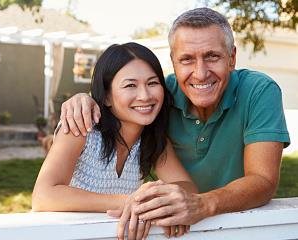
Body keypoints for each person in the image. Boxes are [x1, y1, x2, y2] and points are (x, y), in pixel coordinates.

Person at [59, 7, 290, 239]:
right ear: (173, 62)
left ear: (232, 58)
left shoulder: (259, 91)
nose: (200, 74)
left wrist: (201, 204)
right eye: (187, 59)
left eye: (212, 56)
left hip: (239, 228)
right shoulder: (159, 97)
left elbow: (263, 180)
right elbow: (120, 97)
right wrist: (85, 99)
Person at [32, 42, 197, 239]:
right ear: (107, 96)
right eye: (130, 85)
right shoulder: (82, 127)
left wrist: (155, 200)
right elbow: (43, 196)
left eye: (153, 83)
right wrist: (130, 201)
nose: (145, 95)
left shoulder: (152, 139)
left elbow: (189, 189)